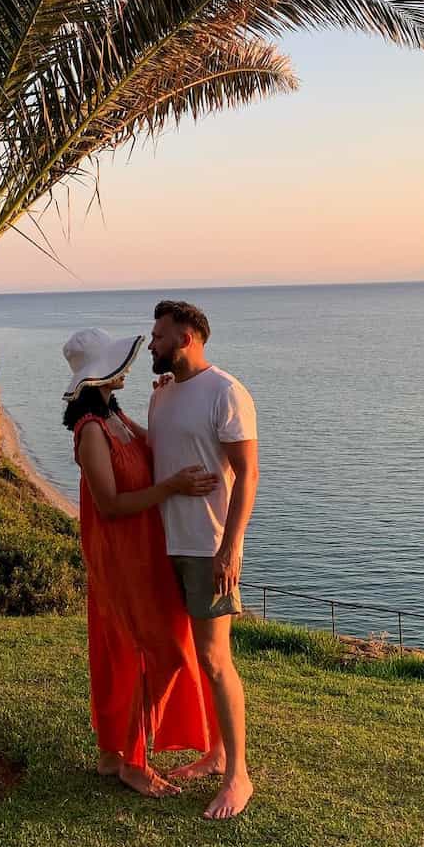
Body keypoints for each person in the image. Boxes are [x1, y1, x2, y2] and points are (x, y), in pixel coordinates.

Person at [63, 327, 221, 798]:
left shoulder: (114, 416)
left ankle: (115, 754)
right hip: (120, 556)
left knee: (140, 651)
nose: (128, 368)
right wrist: (171, 488)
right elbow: (110, 505)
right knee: (156, 652)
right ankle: (132, 762)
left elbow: (157, 447)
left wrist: (163, 403)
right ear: (99, 374)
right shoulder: (90, 430)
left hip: (145, 550)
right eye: (118, 362)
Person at [147, 300, 259, 820]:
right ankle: (215, 754)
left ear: (186, 337)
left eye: (159, 335)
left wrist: (230, 548)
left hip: (207, 547)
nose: (152, 343)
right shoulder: (163, 394)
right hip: (167, 543)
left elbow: (248, 474)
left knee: (215, 660)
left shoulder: (226, 392)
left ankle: (238, 775)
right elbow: (161, 453)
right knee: (194, 656)